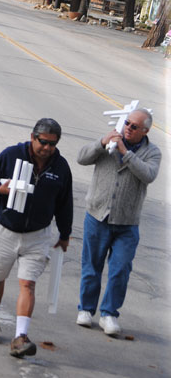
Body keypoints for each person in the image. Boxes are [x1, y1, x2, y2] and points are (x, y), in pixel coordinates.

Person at [0, 118, 73, 358]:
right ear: (33, 137)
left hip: (38, 235)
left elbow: (65, 203)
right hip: (6, 229)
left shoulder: (60, 167)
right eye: (43, 142)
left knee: (28, 283)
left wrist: (65, 233)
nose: (47, 148)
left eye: (52, 144)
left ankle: (21, 337)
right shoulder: (12, 155)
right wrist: (0, 188)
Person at [76, 108, 161, 336]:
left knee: (120, 269)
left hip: (127, 221)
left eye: (134, 127)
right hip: (97, 215)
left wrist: (126, 153)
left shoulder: (152, 152)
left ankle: (109, 313)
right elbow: (81, 157)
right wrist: (101, 142)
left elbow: (148, 174)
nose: (128, 129)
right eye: (127, 124)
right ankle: (85, 309)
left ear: (145, 131)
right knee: (92, 265)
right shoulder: (110, 141)